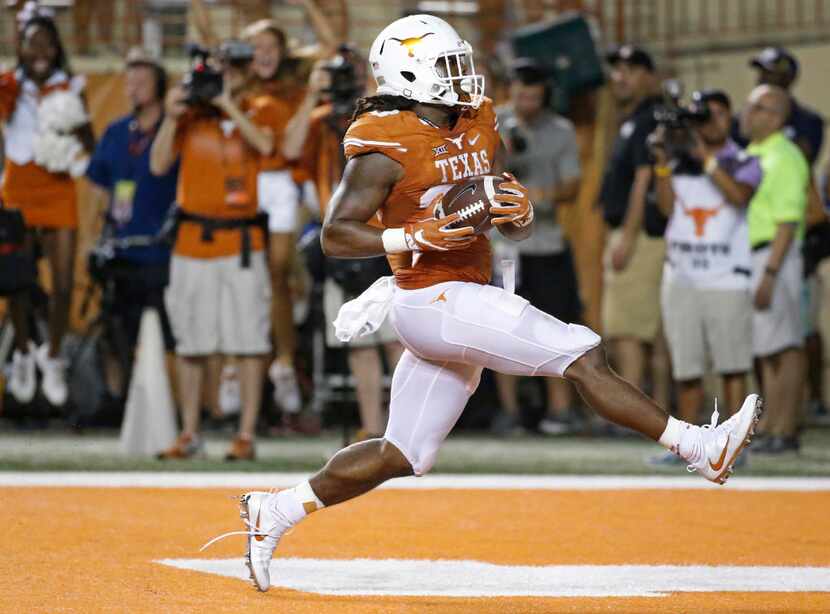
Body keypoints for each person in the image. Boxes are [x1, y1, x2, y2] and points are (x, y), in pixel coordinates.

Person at [201, 15, 762, 593]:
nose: (462, 75)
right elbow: (335, 234)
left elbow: (497, 217)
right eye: (447, 65)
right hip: (435, 298)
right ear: (409, 73)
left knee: (402, 452)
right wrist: (412, 239)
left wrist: (517, 217)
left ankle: (278, 510)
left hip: (458, 291)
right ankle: (700, 447)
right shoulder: (383, 141)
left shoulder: (477, 120)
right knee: (581, 353)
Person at [190, 0, 336, 424]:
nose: (264, 54)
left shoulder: (295, 80)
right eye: (257, 46)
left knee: (275, 275)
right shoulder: (238, 84)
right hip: (246, 186)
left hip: (287, 183)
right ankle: (249, 365)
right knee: (251, 283)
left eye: (271, 45)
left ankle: (285, 362)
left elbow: (327, 45)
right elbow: (204, 43)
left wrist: (308, 5)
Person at [149, 41, 289, 461]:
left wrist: (227, 104)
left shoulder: (259, 107)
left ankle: (244, 435)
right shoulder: (189, 116)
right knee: (191, 342)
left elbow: (265, 147)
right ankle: (190, 432)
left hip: (242, 243)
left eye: (233, 70)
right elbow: (158, 166)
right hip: (192, 243)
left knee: (248, 341)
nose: (225, 77)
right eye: (220, 71)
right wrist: (171, 117)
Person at [650, 89, 762, 464]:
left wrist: (706, 159)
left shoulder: (743, 159)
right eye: (702, 117)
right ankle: (688, 445)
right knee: (687, 367)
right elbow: (666, 208)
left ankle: (736, 445)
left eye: (715, 115)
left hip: (727, 278)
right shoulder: (679, 161)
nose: (708, 123)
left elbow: (739, 197)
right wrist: (663, 161)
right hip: (682, 278)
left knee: (731, 365)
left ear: (729, 117)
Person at [301, 45, 403, 441]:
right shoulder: (319, 121)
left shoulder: (382, 119)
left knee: (396, 341)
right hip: (340, 235)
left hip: (380, 232)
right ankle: (372, 428)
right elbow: (292, 152)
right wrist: (316, 100)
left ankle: (402, 429)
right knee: (359, 342)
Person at [0, 11, 95, 407]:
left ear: (57, 49)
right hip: (19, 186)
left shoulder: (71, 86)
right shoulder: (8, 85)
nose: (38, 51)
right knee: (18, 277)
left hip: (57, 187)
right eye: (31, 43)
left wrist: (70, 140)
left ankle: (52, 355)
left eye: (46, 43)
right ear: (20, 47)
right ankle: (22, 352)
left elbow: (90, 140)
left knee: (61, 281)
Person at [491, 57, 582, 436]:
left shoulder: (560, 130)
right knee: (500, 328)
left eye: (533, 96)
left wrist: (536, 195)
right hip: (503, 247)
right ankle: (509, 412)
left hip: (545, 241)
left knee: (553, 325)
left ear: (544, 96)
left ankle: (560, 412)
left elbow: (572, 185)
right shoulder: (494, 122)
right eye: (520, 94)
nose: (525, 102)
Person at [85, 48, 178, 353]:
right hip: (121, 251)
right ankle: (117, 397)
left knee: (169, 338)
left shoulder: (173, 130)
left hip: (163, 253)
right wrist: (92, 240)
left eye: (142, 81)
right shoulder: (116, 132)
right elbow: (98, 190)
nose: (133, 88)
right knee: (116, 337)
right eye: (129, 81)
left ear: (160, 86)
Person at [598, 45, 671, 411]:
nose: (620, 77)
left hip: (639, 235)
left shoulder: (646, 119)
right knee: (653, 333)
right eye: (617, 69)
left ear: (649, 76)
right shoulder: (637, 117)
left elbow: (644, 177)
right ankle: (657, 413)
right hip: (643, 235)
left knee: (626, 330)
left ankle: (634, 415)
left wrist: (627, 235)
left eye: (630, 69)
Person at [740, 85, 809, 453]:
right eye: (750, 105)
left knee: (786, 346)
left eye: (760, 107)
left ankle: (786, 427)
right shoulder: (754, 154)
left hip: (774, 255)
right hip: (754, 255)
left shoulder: (783, 156)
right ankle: (770, 425)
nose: (748, 112)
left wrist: (769, 272)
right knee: (767, 347)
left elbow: (787, 220)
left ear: (778, 118)